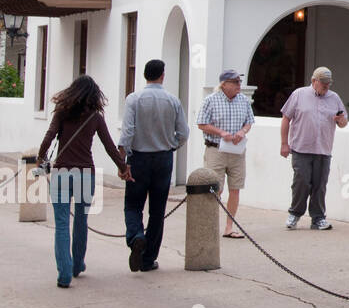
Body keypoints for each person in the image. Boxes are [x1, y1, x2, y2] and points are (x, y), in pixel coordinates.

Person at [37, 75, 132, 287]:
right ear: (94, 95)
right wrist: (123, 168)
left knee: (62, 224)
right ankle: (78, 264)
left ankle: (64, 273)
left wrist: (40, 158)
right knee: (81, 220)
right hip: (85, 175)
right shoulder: (95, 117)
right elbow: (109, 146)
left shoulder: (62, 112)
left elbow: (49, 136)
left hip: (62, 172)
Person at [120, 59, 189, 273]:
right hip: (163, 158)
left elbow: (127, 132)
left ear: (144, 75)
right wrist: (172, 146)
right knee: (157, 211)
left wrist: (123, 159)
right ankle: (148, 259)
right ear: (162, 75)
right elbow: (184, 133)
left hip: (139, 157)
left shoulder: (134, 99)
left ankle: (136, 237)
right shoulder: (172, 100)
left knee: (133, 205)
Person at [280, 66, 348, 230]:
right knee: (301, 182)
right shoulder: (299, 94)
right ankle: (295, 214)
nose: (326, 86)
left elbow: (344, 123)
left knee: (320, 185)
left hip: (323, 149)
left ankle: (318, 218)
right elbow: (286, 118)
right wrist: (284, 143)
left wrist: (340, 120)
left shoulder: (334, 98)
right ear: (313, 81)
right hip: (301, 147)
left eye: (328, 84)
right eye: (323, 83)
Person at [197, 68, 255, 238]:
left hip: (237, 150)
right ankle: (210, 225)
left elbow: (249, 122)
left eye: (239, 82)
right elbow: (201, 123)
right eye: (235, 82)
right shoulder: (210, 100)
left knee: (235, 188)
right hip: (216, 149)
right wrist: (221, 133)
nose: (239, 85)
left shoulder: (243, 100)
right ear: (224, 84)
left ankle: (229, 226)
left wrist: (242, 132)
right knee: (215, 188)